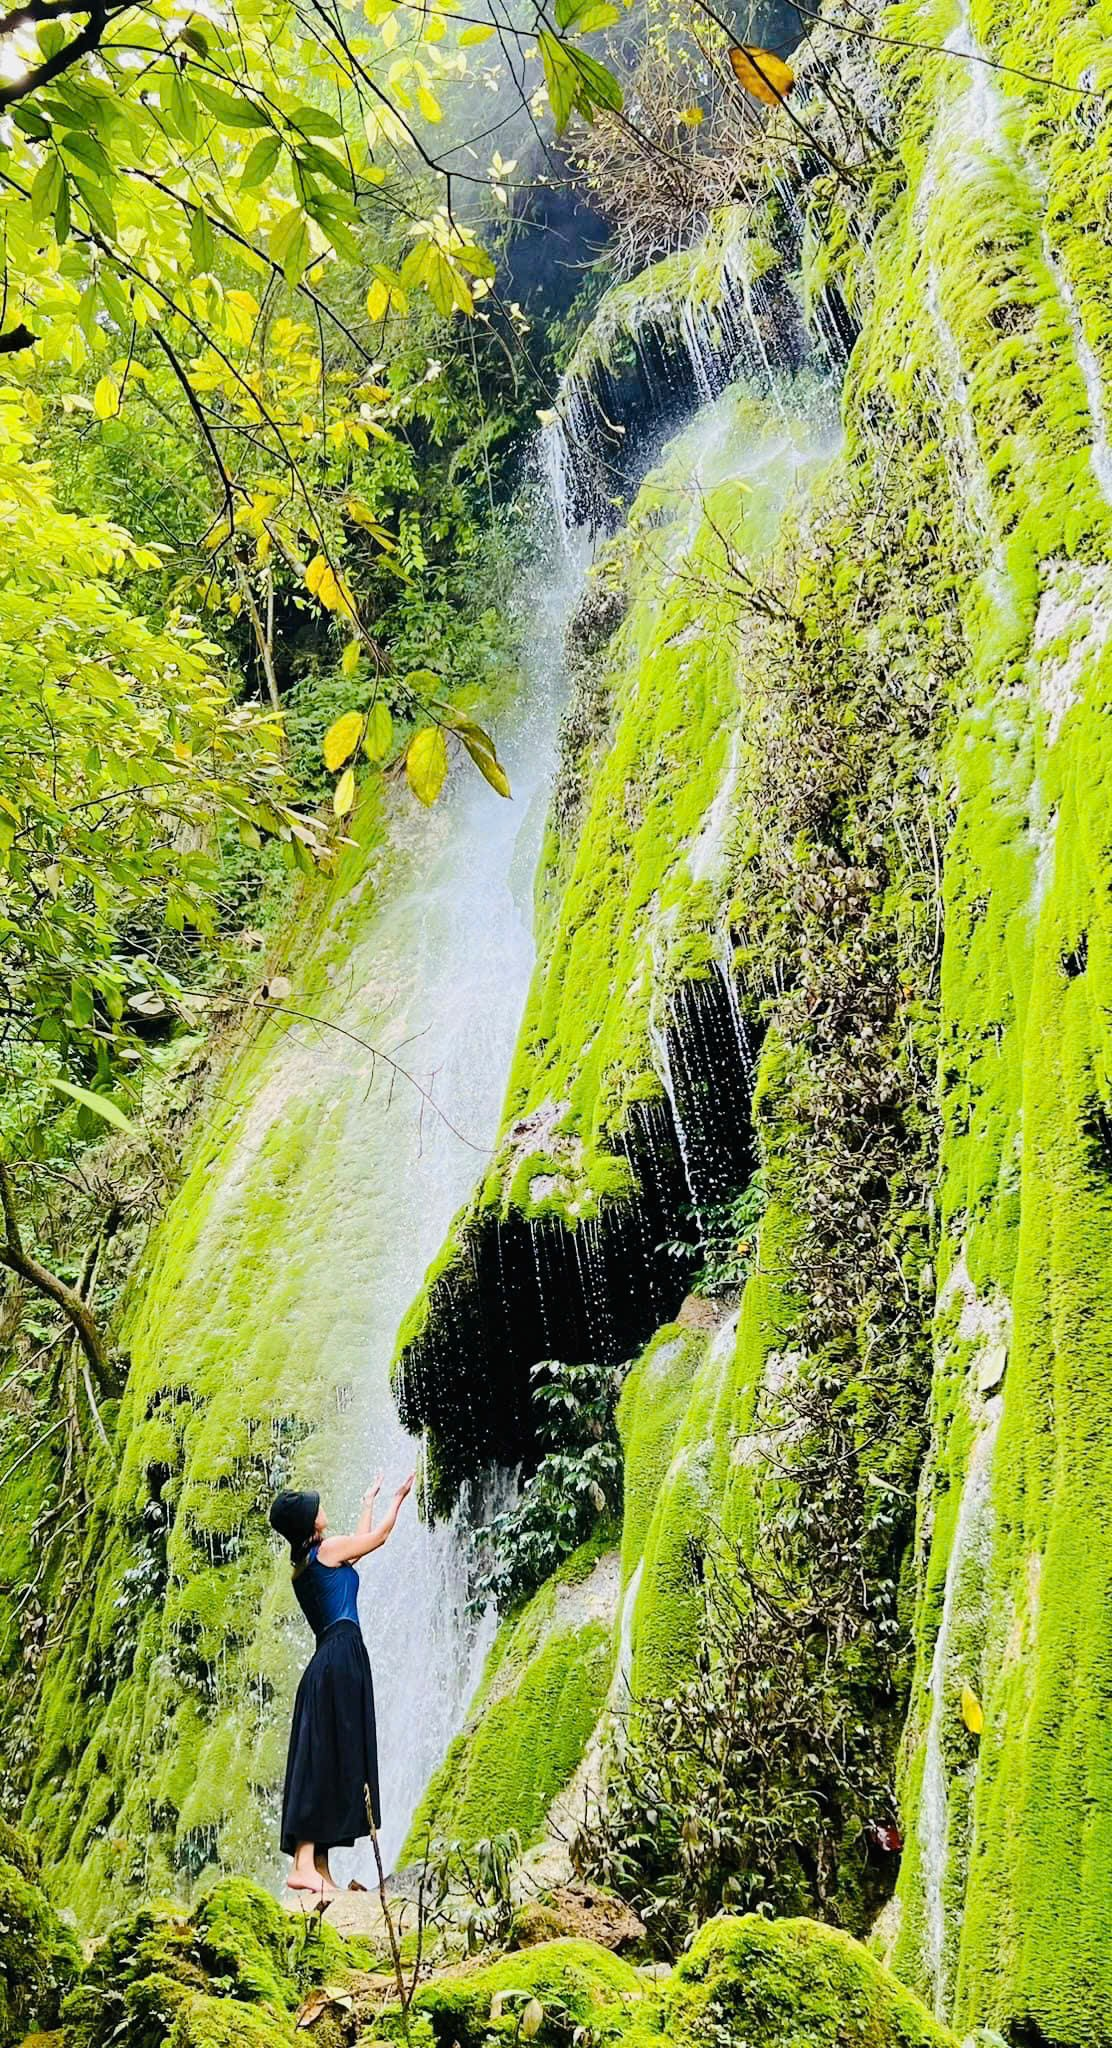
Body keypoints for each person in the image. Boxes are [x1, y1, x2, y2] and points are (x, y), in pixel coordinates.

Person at [269, 1469, 415, 1901]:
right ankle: (302, 1864)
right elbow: (378, 1539)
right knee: (324, 1759)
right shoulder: (327, 1551)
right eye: (316, 1508)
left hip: (328, 1659)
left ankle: (318, 1870)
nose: (322, 1508)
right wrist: (398, 1499)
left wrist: (368, 1500)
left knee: (327, 1756)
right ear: (311, 1522)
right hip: (341, 1656)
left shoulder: (308, 1563)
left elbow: (357, 1549)